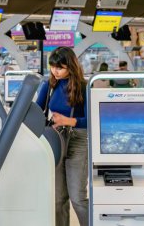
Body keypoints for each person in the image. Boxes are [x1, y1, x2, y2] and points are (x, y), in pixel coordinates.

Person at [36, 47, 88, 226]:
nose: (55, 71)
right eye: (52, 66)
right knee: (58, 198)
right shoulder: (49, 85)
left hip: (78, 140)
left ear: (71, 67)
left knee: (78, 198)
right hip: (55, 140)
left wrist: (68, 120)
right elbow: (37, 111)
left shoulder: (83, 87)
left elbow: (90, 120)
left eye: (60, 67)